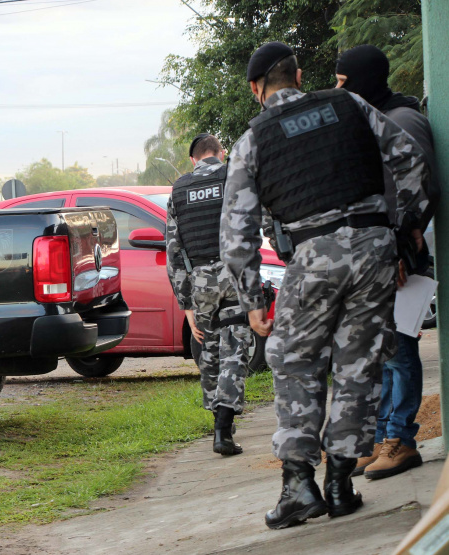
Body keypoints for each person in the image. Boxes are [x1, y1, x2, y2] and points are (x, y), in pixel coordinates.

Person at [219, 42, 429, 529]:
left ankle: (298, 487)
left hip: (314, 257)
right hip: (376, 248)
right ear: (298, 75)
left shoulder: (252, 141)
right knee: (359, 366)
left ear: (256, 89)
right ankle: (340, 483)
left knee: (294, 362)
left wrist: (253, 299)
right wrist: (408, 223)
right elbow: (409, 157)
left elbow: (236, 234)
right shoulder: (349, 104)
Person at [335, 44, 440, 481]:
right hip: (377, 255)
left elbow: (416, 192)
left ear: (364, 80)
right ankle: (381, 439)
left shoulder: (402, 119)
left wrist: (398, 246)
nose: (339, 90)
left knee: (398, 351)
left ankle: (401, 440)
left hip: (400, 257)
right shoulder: (375, 117)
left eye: (344, 82)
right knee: (380, 353)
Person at [166, 133, 250, 456]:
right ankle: (223, 430)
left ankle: (219, 425)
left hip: (200, 281)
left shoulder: (178, 190)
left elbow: (174, 253)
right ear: (220, 152)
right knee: (235, 346)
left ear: (193, 159)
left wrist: (186, 304)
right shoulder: (232, 175)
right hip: (233, 274)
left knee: (210, 350)